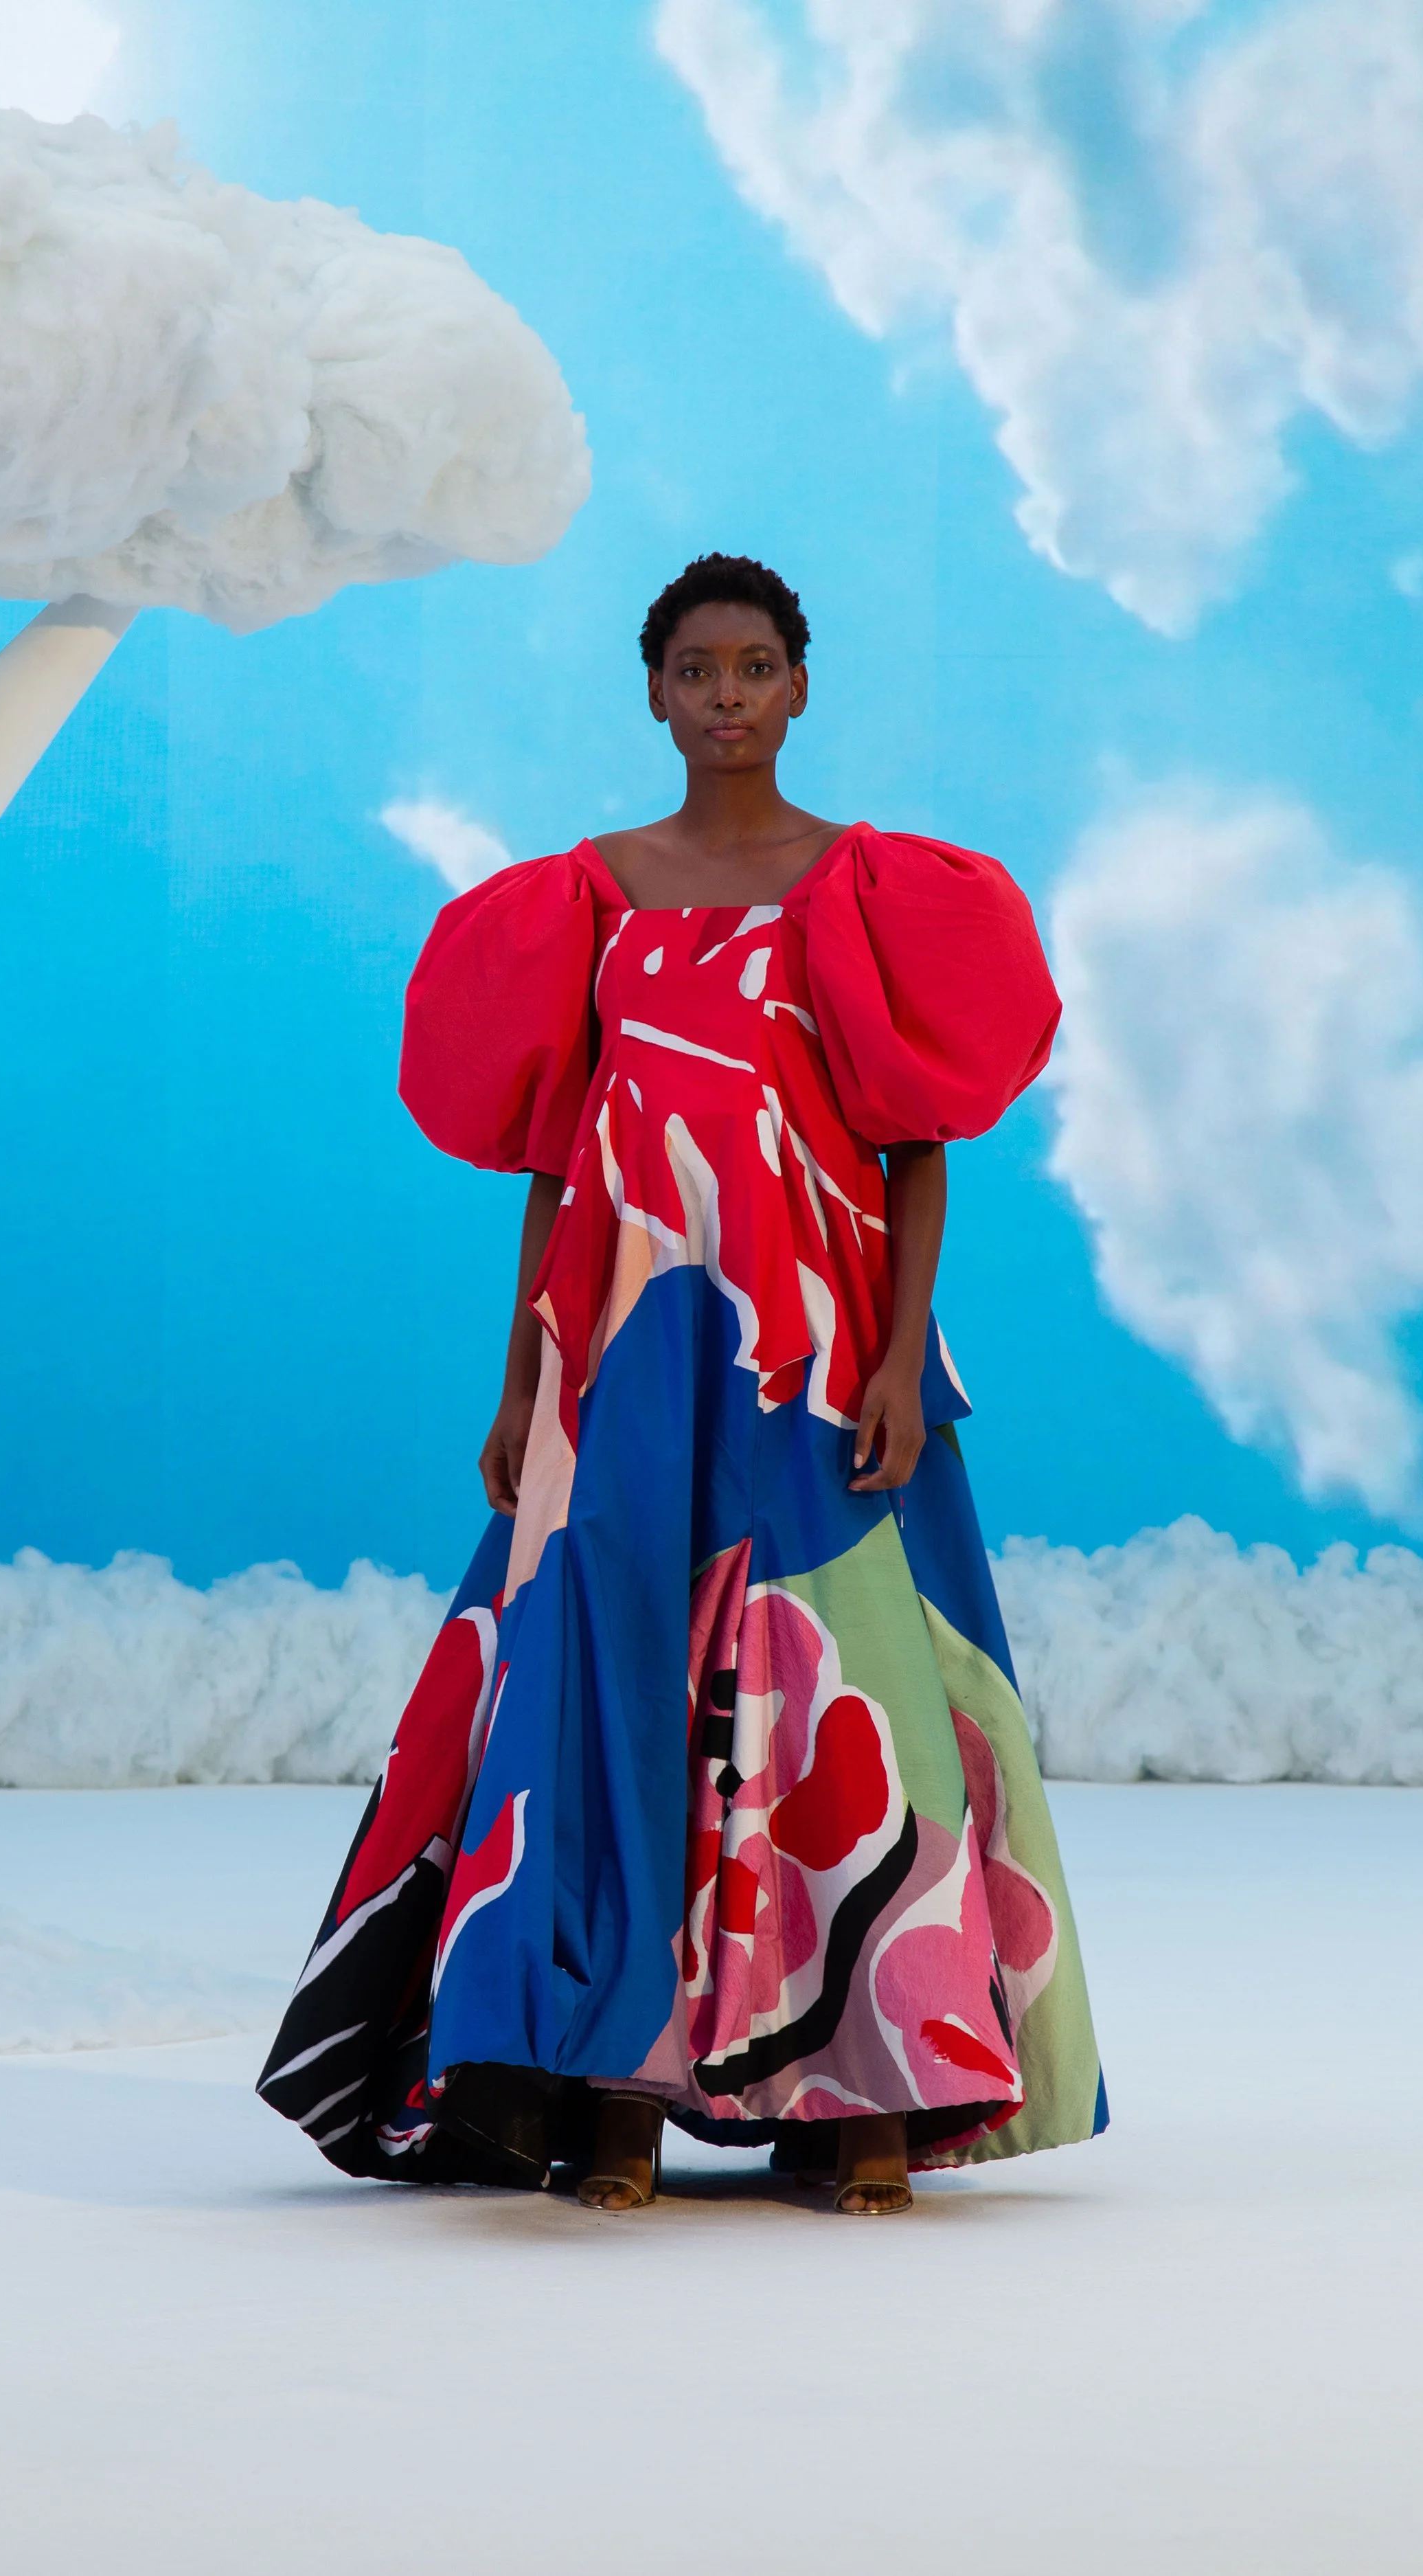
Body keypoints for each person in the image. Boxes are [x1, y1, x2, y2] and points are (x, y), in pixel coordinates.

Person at [259, 554, 1106, 2214]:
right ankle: (613, 2094)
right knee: (608, 1695)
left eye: (756, 665)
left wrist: (892, 1354)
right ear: (652, 694)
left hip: (811, 1350)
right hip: (620, 1352)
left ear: (800, 688)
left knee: (837, 1690)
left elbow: (914, 1150)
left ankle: (871, 2095)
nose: (726, 694)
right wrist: (520, 1383)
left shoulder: (869, 894)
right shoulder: (582, 901)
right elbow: (556, 1171)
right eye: (696, 669)